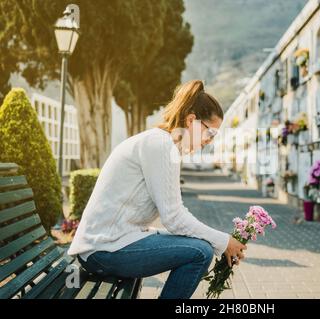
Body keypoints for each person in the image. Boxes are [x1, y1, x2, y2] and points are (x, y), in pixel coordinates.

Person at [68, 80, 247, 299]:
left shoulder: (161, 143)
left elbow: (174, 216)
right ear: (192, 120)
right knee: (200, 252)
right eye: (210, 133)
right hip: (102, 250)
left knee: (200, 245)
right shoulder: (161, 145)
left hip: (109, 243)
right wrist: (224, 241)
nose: (209, 142)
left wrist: (214, 239)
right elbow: (174, 217)